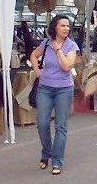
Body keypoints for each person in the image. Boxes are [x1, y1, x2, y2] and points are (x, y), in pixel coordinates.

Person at [31, 15, 78, 175]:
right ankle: (46, 152)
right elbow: (33, 55)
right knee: (42, 124)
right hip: (45, 88)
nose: (66, 28)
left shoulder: (72, 46)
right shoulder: (45, 43)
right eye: (63, 25)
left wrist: (58, 49)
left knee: (60, 126)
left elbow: (66, 66)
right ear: (55, 27)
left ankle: (57, 161)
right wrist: (37, 71)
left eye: (68, 26)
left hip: (63, 89)